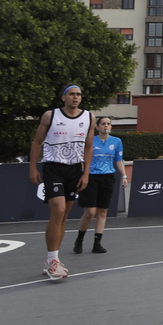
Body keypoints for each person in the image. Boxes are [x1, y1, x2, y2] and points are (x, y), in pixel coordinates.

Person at [28, 86, 95, 280]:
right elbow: (37, 142)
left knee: (64, 214)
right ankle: (52, 260)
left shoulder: (89, 117)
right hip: (53, 167)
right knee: (57, 210)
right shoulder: (51, 116)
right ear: (63, 97)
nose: (76, 97)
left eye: (79, 94)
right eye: (72, 94)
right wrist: (33, 168)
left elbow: (89, 146)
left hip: (74, 169)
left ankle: (52, 259)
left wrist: (86, 173)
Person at [73, 116, 126, 254]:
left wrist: (124, 175)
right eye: (103, 124)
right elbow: (82, 160)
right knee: (90, 212)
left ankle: (97, 243)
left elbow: (119, 160)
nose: (106, 126)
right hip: (91, 177)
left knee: (102, 211)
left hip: (107, 177)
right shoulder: (90, 140)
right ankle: (79, 239)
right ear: (97, 127)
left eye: (108, 124)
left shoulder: (117, 141)